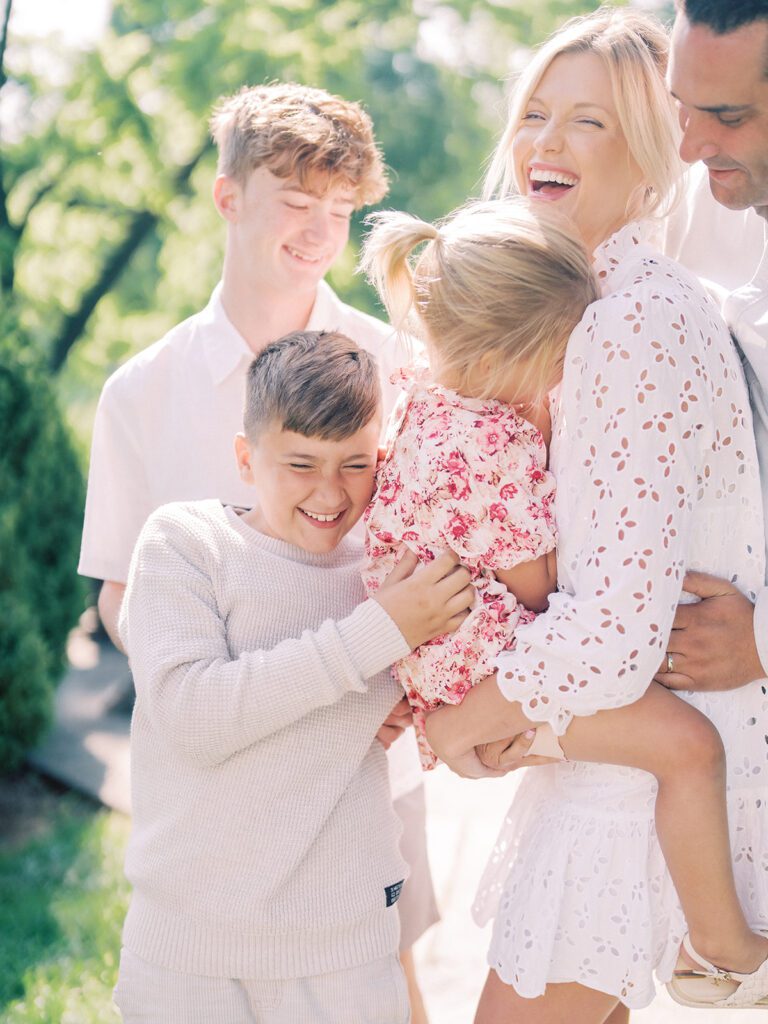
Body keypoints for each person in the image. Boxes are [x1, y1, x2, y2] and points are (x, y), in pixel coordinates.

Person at [418, 8, 768, 1021]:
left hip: (631, 801)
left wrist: (463, 719)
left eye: (589, 122)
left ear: (655, 159)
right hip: (622, 771)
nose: (547, 142)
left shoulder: (633, 324)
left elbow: (615, 634)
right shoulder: (589, 318)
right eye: (535, 113)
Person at [77, 82, 438, 1018]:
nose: (319, 230)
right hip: (210, 796)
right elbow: (122, 594)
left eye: (340, 209)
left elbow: (428, 569)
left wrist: (401, 691)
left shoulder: (401, 368)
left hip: (365, 771)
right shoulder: (141, 391)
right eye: (296, 200)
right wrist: (206, 697)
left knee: (381, 979)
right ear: (228, 197)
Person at [112, 330, 473, 1023]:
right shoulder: (186, 544)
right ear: (246, 458)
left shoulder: (392, 573)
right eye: (301, 463)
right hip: (188, 959)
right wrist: (379, 640)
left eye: (355, 465)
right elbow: (194, 719)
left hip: (345, 954)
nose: (330, 492)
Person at [360, 198, 594, 768]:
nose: (569, 370)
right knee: (686, 747)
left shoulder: (423, 395)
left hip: (441, 669)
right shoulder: (489, 447)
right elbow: (534, 589)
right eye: (560, 355)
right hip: (482, 684)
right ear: (493, 365)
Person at [657, 2, 768, 703]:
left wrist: (762, 643)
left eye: (727, 117)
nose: (691, 147)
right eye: (682, 108)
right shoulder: (688, 204)